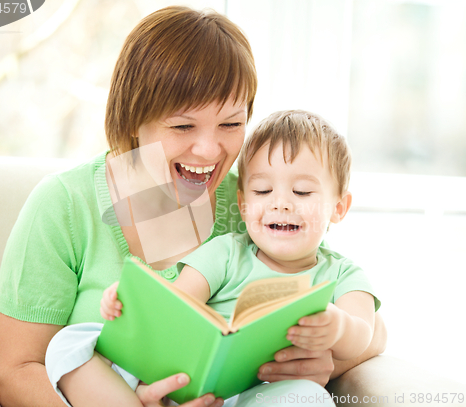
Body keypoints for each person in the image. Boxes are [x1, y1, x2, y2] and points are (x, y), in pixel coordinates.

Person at [0, 6, 387, 407]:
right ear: (133, 117)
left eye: (231, 125)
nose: (209, 150)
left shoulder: (255, 203)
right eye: (183, 126)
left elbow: (369, 327)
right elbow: (16, 370)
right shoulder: (64, 205)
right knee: (73, 344)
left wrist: (318, 365)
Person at [47, 110, 380, 407]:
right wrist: (132, 302)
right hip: (185, 382)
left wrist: (338, 328)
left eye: (302, 192)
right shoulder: (226, 251)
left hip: (260, 394)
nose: (281, 203)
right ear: (243, 202)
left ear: (339, 207)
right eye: (263, 191)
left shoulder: (344, 274)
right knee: (70, 342)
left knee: (309, 398)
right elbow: (177, 303)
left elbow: (364, 333)